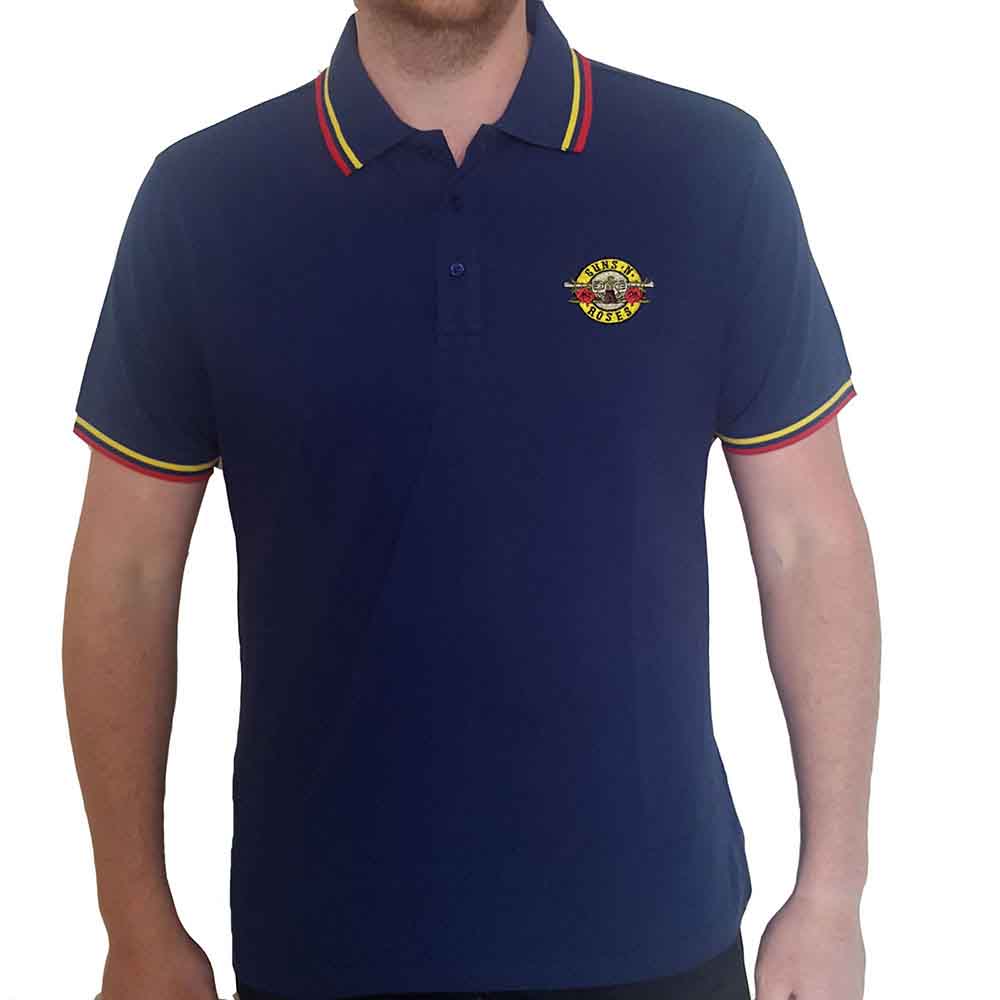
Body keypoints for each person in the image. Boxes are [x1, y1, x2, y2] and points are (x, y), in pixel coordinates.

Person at [62, 2, 881, 999]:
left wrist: (833, 893)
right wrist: (134, 921)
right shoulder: (204, 200)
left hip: (657, 940)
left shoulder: (710, 168)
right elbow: (128, 573)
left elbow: (806, 538)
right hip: (325, 950)